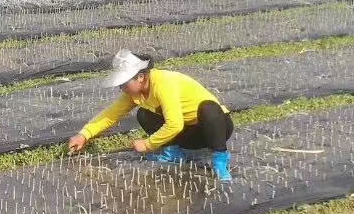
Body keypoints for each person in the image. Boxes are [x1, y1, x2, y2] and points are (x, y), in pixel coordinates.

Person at [67, 51, 234, 182]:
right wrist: (84, 135)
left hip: (214, 130)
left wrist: (147, 145)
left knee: (209, 108)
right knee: (144, 114)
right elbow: (111, 114)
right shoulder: (134, 93)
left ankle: (220, 160)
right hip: (188, 135)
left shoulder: (163, 83)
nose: (121, 88)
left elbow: (175, 124)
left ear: (140, 77)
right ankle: (174, 153)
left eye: (124, 83)